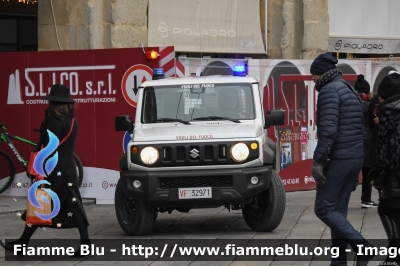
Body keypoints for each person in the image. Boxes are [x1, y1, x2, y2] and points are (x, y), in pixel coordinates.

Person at [0, 84, 90, 256]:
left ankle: (22, 244)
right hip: (68, 168)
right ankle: (85, 245)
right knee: (73, 205)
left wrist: (36, 166)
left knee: (41, 204)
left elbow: (48, 148)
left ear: (54, 103)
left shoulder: (54, 121)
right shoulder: (72, 120)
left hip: (53, 169)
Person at [310, 52, 373, 265]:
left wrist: (318, 161)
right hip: (354, 156)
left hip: (338, 158)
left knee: (324, 208)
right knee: (338, 211)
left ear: (320, 74)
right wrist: (357, 165)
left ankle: (362, 246)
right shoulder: (350, 90)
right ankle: (338, 262)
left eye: (313, 77)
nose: (314, 81)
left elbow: (328, 131)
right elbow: (361, 130)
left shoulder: (329, 91)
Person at [368, 72, 400, 263]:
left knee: (389, 211)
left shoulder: (389, 113)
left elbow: (387, 151)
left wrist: (375, 174)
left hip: (394, 177)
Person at [354, 74, 378, 208]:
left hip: (355, 139)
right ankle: (366, 199)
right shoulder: (369, 105)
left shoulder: (352, 102)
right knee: (368, 170)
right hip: (368, 140)